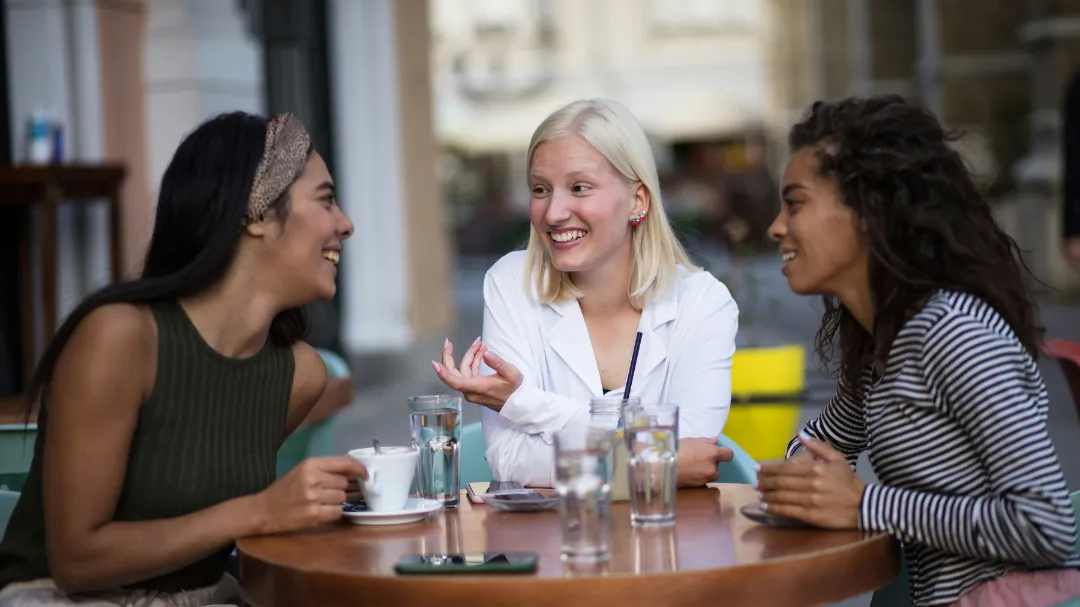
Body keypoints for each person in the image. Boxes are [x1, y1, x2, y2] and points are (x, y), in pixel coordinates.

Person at [0, 111, 364, 606]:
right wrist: (263, 509)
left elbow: (214, 511)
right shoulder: (121, 338)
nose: (346, 224)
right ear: (252, 214)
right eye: (326, 200)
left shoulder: (300, 374)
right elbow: (77, 562)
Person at [755, 95, 1080, 607]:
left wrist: (865, 503)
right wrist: (802, 476)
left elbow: (1046, 525)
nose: (776, 227)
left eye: (794, 204)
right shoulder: (881, 340)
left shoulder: (955, 334)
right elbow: (826, 438)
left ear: (868, 212)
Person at [433, 99, 739, 488]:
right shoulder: (511, 282)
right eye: (540, 189)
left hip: (662, 540)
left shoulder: (704, 302)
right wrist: (651, 462)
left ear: (638, 200)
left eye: (580, 187)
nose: (554, 212)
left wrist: (524, 404)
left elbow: (694, 449)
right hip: (546, 545)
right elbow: (509, 461)